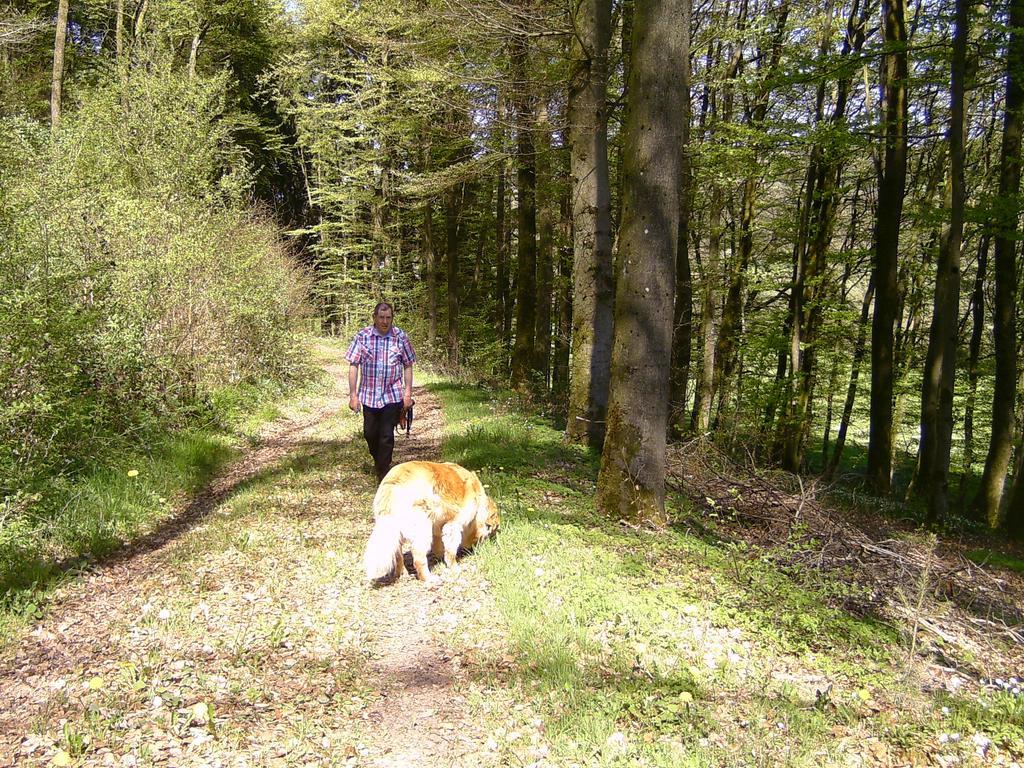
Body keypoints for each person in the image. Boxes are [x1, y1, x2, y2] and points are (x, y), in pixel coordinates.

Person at [346, 302, 416, 482]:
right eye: (381, 317)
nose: (385, 321)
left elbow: (408, 365)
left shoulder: (400, 337)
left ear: (392, 318)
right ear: (374, 318)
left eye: (388, 318)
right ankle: (379, 462)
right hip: (369, 396)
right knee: (370, 433)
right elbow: (353, 365)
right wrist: (353, 396)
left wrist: (407, 394)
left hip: (392, 395)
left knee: (386, 436)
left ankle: (383, 474)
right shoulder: (363, 337)